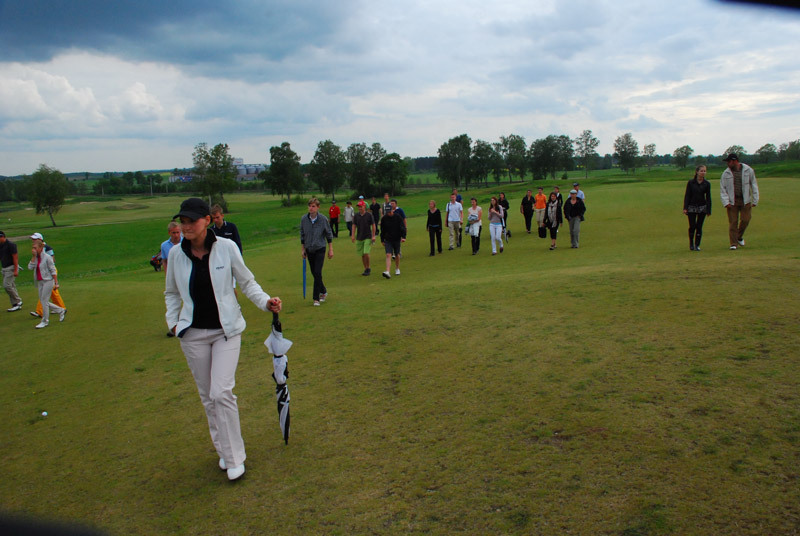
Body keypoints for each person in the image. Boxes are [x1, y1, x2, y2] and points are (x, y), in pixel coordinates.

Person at [164, 197, 282, 481]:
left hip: (226, 332)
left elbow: (247, 282)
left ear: (207, 220)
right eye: (183, 221)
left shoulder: (226, 248)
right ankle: (224, 451)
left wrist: (266, 302)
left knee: (221, 392)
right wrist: (173, 323)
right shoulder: (176, 255)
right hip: (192, 335)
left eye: (192, 220)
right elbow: (170, 293)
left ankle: (235, 458)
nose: (186, 226)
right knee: (208, 398)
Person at [720, 153, 759, 250]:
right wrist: (726, 202)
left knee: (746, 219)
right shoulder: (725, 174)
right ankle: (733, 244)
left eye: (729, 162)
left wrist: (755, 199)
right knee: (733, 222)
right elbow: (723, 189)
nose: (728, 164)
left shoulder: (748, 170)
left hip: (745, 200)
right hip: (732, 201)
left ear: (735, 161)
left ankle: (739, 236)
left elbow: (753, 184)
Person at [300, 198, 334, 306]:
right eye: (310, 206)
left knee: (318, 272)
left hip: (320, 248)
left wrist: (331, 249)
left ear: (318, 207)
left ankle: (316, 298)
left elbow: (329, 234)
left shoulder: (323, 219)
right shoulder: (304, 219)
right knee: (314, 273)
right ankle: (323, 291)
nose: (311, 208)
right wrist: (303, 249)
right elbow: (302, 235)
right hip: (309, 249)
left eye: (313, 206)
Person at [28, 237, 66, 328]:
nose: (34, 250)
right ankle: (61, 310)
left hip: (48, 281)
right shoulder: (36, 258)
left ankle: (45, 321)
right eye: (33, 248)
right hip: (40, 281)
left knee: (44, 301)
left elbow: (53, 270)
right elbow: (30, 267)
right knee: (43, 301)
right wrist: (33, 257)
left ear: (41, 248)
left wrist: (56, 282)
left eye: (35, 248)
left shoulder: (47, 257)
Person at [683, 164, 712, 251]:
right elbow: (687, 195)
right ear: (697, 172)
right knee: (692, 226)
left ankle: (697, 244)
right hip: (691, 206)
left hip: (702, 207)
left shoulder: (707, 184)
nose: (703, 173)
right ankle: (691, 243)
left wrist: (708, 209)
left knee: (699, 226)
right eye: (701, 171)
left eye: (704, 171)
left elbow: (708, 197)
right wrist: (685, 207)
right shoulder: (691, 183)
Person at [380, 203, 406, 278]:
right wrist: (382, 240)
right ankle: (387, 271)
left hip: (397, 238)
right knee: (388, 254)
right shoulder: (384, 219)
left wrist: (403, 237)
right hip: (388, 239)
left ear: (392, 210)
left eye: (389, 211)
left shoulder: (398, 217)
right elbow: (383, 230)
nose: (389, 213)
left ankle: (397, 268)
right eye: (387, 212)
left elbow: (402, 227)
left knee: (397, 254)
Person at [351, 200, 375, 276]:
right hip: (359, 237)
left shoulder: (369, 215)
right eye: (358, 207)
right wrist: (352, 235)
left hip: (368, 236)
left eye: (361, 206)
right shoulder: (356, 216)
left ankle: (368, 267)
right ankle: (366, 269)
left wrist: (373, 235)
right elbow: (354, 225)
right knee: (362, 254)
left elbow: (373, 225)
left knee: (366, 253)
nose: (359, 208)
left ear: (364, 206)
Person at [0, 231, 22, 312]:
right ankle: (15, 304)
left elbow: (15, 258)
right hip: (4, 268)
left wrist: (16, 270)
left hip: (11, 267)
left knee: (7, 286)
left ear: (2, 237)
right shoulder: (0, 246)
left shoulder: (11, 245)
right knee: (12, 286)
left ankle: (18, 300)